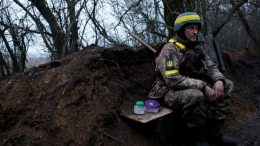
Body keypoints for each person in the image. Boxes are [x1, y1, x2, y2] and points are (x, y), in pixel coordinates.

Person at [148, 12, 236, 146]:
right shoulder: (170, 50)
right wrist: (203, 86)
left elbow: (211, 67)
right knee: (196, 95)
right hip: (167, 91)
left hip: (189, 86)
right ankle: (195, 138)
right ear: (181, 30)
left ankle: (213, 133)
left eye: (196, 28)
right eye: (191, 28)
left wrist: (219, 80)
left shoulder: (196, 48)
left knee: (227, 84)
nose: (195, 32)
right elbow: (172, 79)